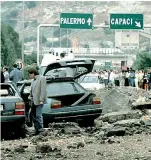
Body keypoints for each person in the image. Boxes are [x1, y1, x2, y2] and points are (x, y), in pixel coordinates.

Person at [28, 68, 47, 135]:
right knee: (33, 115)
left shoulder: (42, 78)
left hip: (39, 100)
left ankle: (41, 129)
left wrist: (41, 100)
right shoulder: (33, 81)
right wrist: (30, 96)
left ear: (33, 73)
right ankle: (37, 129)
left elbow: (43, 90)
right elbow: (32, 90)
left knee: (39, 115)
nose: (29, 76)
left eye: (30, 75)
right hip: (33, 100)